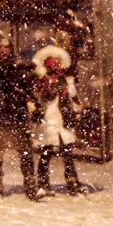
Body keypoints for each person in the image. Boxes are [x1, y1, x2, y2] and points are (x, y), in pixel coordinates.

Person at [0, 36, 42, 200]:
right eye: (0, 47)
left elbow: (27, 88)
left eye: (6, 47)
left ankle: (30, 187)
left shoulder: (19, 66)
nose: (3, 50)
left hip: (17, 115)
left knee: (26, 154)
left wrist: (31, 102)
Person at [31, 44, 87, 196]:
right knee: (46, 153)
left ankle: (72, 182)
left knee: (67, 153)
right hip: (48, 120)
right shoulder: (41, 80)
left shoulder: (66, 80)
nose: (56, 65)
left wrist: (75, 105)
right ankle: (43, 183)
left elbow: (74, 98)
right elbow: (41, 97)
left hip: (63, 120)